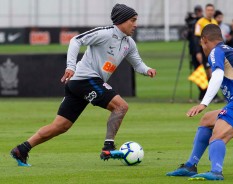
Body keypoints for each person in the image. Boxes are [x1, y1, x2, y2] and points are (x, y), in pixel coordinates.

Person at [10, 3, 157, 166]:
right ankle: (108, 146)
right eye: (133, 20)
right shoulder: (105, 33)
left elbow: (138, 64)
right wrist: (71, 66)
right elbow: (75, 40)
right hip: (85, 80)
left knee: (60, 126)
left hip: (81, 83)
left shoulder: (129, 43)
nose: (136, 24)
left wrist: (147, 69)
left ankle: (21, 149)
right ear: (121, 20)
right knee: (121, 107)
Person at [166, 24, 233, 180]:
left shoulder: (216, 52)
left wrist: (204, 103)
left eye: (201, 43)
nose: (202, 47)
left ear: (204, 40)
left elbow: (217, 75)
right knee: (207, 119)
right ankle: (190, 165)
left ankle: (216, 171)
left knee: (217, 137)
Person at [193, 3, 217, 100]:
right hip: (204, 51)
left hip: (213, 51)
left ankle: (206, 95)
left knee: (212, 72)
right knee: (207, 73)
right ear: (205, 11)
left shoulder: (215, 22)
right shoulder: (200, 22)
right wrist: (198, 52)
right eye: (208, 10)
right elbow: (196, 38)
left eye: (211, 10)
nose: (210, 12)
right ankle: (211, 95)